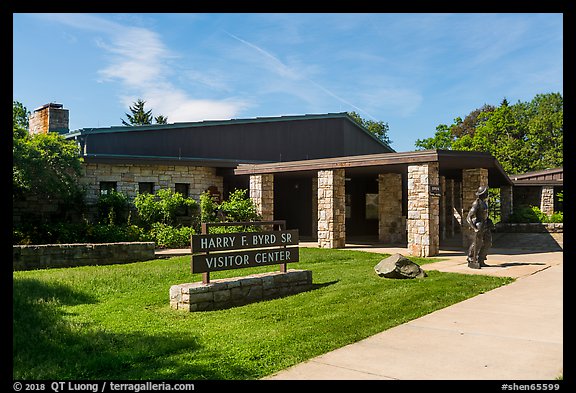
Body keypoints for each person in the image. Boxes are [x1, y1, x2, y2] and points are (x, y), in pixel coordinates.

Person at [466, 186, 492, 269]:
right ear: (482, 194)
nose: (487, 194)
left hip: (485, 225)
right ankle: (471, 258)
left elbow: (485, 215)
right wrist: (474, 228)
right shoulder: (476, 203)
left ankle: (481, 259)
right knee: (477, 243)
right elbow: (468, 217)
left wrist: (489, 221)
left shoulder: (484, 203)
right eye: (486, 193)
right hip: (479, 225)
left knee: (488, 242)